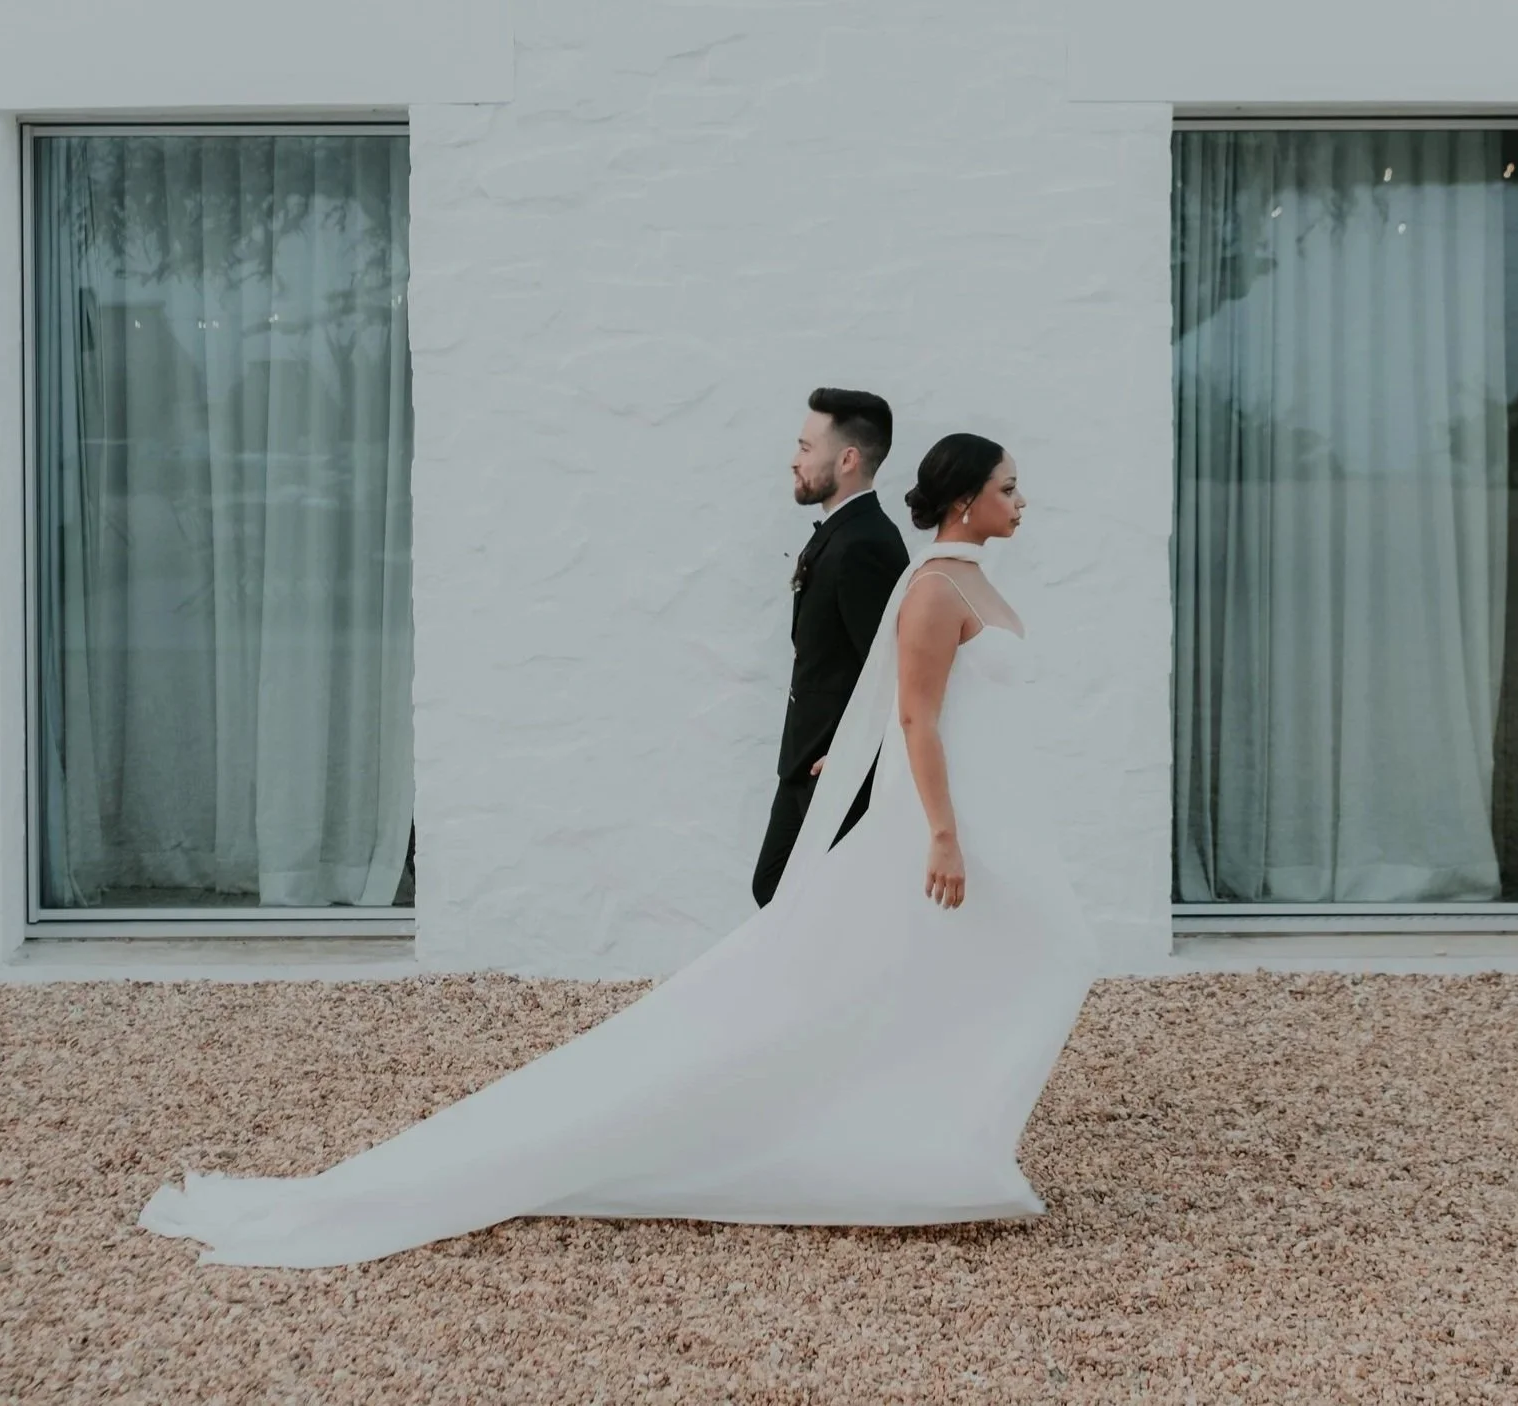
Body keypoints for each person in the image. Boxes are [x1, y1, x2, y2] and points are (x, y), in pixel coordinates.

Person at [139, 432, 1099, 1269]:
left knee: (964, 971)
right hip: (936, 829)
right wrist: (940, 833)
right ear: (968, 498)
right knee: (1008, 956)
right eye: (1010, 487)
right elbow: (915, 720)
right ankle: (907, 1142)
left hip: (996, 819)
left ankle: (939, 1141)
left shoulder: (974, 580)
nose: (1024, 501)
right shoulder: (931, 591)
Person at [755, 388, 910, 907]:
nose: (794, 460)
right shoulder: (845, 533)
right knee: (777, 892)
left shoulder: (866, 544)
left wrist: (850, 756)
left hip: (834, 770)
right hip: (806, 760)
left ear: (847, 459)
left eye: (805, 446)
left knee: (817, 904)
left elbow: (892, 666)